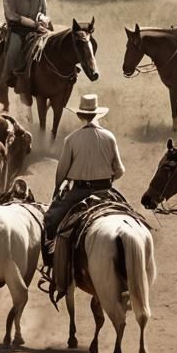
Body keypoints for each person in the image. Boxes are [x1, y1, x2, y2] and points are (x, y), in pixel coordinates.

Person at [43, 94, 125, 262]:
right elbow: (119, 170)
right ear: (98, 115)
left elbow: (61, 173)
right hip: (104, 190)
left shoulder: (71, 139)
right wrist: (107, 180)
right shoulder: (109, 137)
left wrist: (57, 190)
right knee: (128, 214)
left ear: (80, 115)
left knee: (50, 219)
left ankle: (51, 255)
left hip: (79, 192)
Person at [2, 0, 49, 82]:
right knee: (14, 48)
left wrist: (42, 19)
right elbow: (11, 15)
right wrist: (33, 24)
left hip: (36, 29)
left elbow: (42, 11)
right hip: (17, 29)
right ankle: (7, 75)